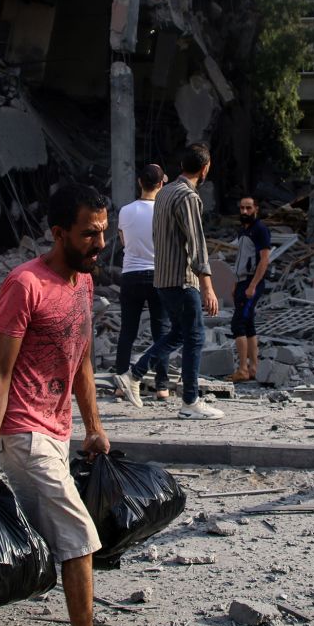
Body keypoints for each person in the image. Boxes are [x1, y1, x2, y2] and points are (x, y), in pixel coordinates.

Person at [0, 182, 141, 626]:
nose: (99, 244)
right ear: (59, 232)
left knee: (31, 534)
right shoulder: (25, 285)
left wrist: (94, 428)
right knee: (78, 535)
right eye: (89, 234)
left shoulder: (83, 284)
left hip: (57, 431)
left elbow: (81, 360)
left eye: (104, 232)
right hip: (23, 431)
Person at [114, 143, 223, 420]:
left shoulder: (165, 194)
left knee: (178, 334)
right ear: (205, 168)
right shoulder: (187, 196)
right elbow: (196, 244)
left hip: (163, 279)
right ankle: (189, 402)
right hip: (181, 279)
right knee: (195, 337)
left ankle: (134, 374)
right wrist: (208, 285)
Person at [113, 164, 171, 401]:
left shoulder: (125, 211)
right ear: (161, 184)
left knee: (128, 331)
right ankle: (162, 387)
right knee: (162, 332)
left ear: (140, 182)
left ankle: (120, 383)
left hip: (131, 275)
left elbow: (125, 242)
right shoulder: (166, 210)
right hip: (159, 275)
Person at [227, 196, 271, 382]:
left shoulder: (260, 230)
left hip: (252, 282)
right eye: (242, 208)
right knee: (249, 325)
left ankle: (243, 369)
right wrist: (236, 282)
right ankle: (253, 369)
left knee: (237, 324)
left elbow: (264, 260)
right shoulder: (243, 230)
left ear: (256, 209)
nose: (245, 211)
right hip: (242, 282)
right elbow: (242, 258)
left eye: (248, 208)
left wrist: (253, 285)